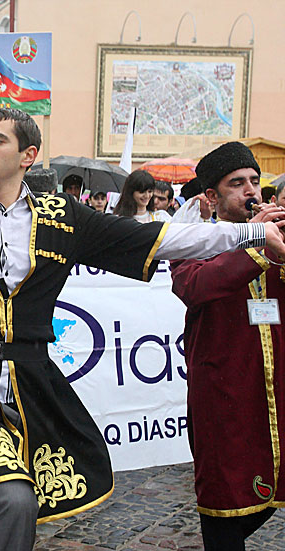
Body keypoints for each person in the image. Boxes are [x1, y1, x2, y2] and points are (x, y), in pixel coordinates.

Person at [0, 107, 285, 550]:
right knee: (11, 498)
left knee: (23, 504)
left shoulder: (63, 217)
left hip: (34, 385)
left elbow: (161, 239)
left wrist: (255, 233)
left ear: (28, 156)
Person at [171, 142, 285, 551]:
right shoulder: (192, 239)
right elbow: (194, 286)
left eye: (254, 181)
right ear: (212, 196)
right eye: (237, 184)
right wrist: (257, 244)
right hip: (225, 392)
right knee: (225, 499)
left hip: (278, 386)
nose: (251, 190)